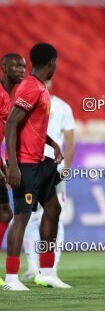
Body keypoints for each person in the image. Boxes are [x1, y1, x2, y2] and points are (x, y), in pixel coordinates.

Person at [3, 43, 70, 291]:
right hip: (25, 165)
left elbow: (33, 127)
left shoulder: (39, 88)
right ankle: (11, 278)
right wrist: (13, 165)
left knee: (53, 209)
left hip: (40, 161)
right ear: (52, 63)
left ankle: (48, 271)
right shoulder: (31, 87)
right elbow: (11, 125)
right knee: (22, 216)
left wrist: (53, 144)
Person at [22, 79, 76, 281]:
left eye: (47, 80)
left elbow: (70, 140)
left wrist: (67, 169)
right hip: (31, 164)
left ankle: (51, 266)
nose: (44, 83)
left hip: (55, 166)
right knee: (30, 216)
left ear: (52, 82)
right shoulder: (27, 104)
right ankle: (33, 267)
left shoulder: (63, 107)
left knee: (56, 215)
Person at [0, 53, 26, 287]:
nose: (21, 69)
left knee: (5, 213)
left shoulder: (11, 96)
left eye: (24, 66)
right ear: (3, 67)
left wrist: (5, 165)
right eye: (16, 65)